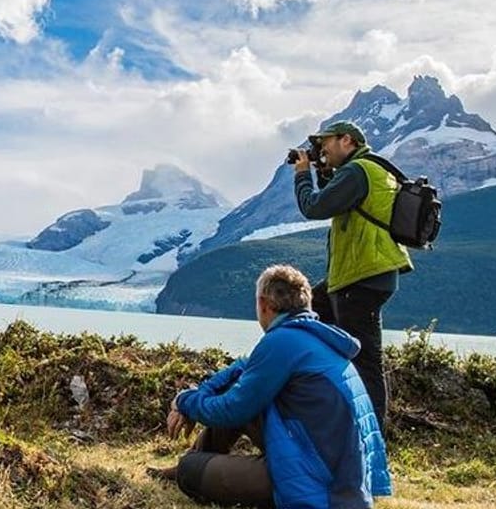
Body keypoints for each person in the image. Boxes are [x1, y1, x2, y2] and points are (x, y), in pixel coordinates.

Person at [151, 265, 390, 508]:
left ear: (263, 304)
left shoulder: (282, 341)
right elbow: (243, 369)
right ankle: (195, 459)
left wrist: (184, 402)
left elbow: (232, 409)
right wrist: (193, 395)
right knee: (240, 392)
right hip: (339, 477)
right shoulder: (312, 337)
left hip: (318, 487)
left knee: (190, 471)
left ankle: (189, 465)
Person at [291, 121, 412, 431]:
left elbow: (314, 207)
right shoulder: (371, 168)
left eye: (326, 143)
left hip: (360, 277)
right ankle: (327, 416)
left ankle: (371, 438)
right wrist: (322, 169)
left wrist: (303, 173)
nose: (322, 150)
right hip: (362, 276)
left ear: (346, 140)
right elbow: (340, 197)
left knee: (366, 361)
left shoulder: (357, 171)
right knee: (307, 319)